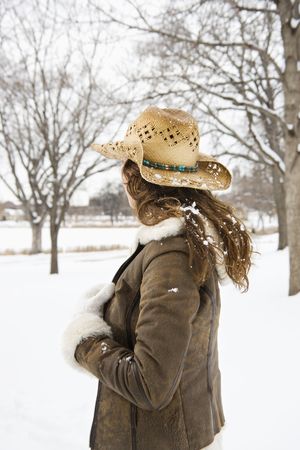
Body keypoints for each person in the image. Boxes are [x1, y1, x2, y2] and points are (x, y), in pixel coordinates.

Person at [61, 106, 253, 450]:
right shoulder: (179, 245)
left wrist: (84, 340)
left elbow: (150, 384)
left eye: (124, 168)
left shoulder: (172, 256)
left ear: (136, 178)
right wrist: (112, 310)